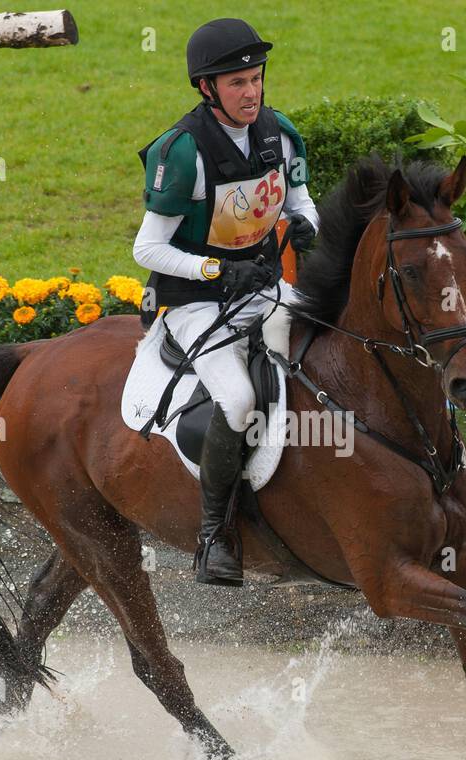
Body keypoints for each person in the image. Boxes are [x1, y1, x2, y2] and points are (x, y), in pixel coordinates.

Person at [133, 17, 319, 587]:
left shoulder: (279, 134)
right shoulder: (184, 152)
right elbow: (148, 249)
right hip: (195, 302)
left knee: (328, 351)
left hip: (261, 287)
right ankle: (214, 532)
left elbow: (302, 202)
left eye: (256, 78)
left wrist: (307, 224)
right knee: (237, 400)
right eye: (237, 82)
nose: (251, 91)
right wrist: (215, 267)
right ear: (207, 88)